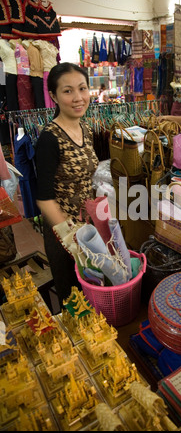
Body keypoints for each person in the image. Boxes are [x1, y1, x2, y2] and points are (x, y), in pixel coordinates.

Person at [35, 62, 99, 309]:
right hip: (63, 234)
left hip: (87, 226)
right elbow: (44, 197)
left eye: (82, 89)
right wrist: (69, 237)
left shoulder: (86, 129)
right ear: (53, 95)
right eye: (68, 91)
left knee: (91, 288)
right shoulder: (49, 138)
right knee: (72, 298)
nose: (78, 98)